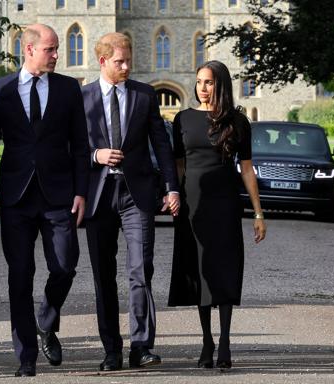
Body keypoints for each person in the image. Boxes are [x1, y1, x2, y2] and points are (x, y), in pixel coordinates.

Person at [0, 24, 89, 377]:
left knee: (64, 265)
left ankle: (47, 319)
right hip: (15, 197)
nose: (57, 55)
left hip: (58, 195)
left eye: (58, 48)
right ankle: (26, 356)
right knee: (20, 276)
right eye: (51, 49)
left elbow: (80, 144)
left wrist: (80, 191)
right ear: (29, 50)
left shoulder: (68, 89)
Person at [81, 33, 180, 371]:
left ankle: (141, 346)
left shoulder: (144, 94)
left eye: (128, 60)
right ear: (103, 61)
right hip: (98, 197)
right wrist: (96, 154)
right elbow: (69, 150)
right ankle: (111, 350)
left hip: (136, 195)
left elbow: (162, 145)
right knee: (103, 276)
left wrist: (171, 187)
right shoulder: (83, 98)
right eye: (119, 61)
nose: (126, 66)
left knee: (141, 270)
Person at [167, 60, 266, 371]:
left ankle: (224, 341)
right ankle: (207, 340)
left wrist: (259, 213)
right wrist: (174, 195)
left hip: (224, 205)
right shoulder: (182, 119)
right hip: (192, 205)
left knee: (224, 269)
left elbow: (247, 169)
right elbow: (179, 165)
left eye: (208, 82)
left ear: (220, 85)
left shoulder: (237, 122)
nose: (202, 88)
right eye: (198, 81)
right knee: (199, 271)